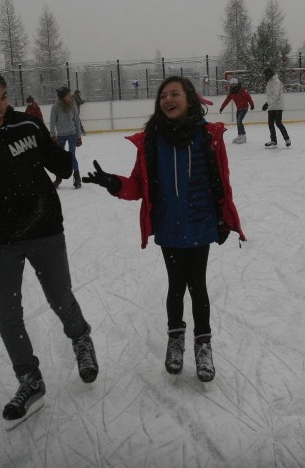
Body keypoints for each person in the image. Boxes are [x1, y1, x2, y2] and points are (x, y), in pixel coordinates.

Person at [0, 65, 99, 428]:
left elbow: (52, 158)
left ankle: (81, 339)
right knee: (7, 314)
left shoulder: (25, 125)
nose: (1, 108)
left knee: (60, 298)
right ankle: (29, 378)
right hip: (1, 243)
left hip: (45, 230)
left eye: (4, 98)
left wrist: (62, 161)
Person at [82, 76, 246, 383]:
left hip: (200, 224)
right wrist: (114, 183)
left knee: (197, 285)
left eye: (175, 94)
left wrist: (224, 218)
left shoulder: (208, 136)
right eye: (163, 96)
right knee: (176, 285)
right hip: (169, 226)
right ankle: (175, 340)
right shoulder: (151, 141)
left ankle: (203, 344)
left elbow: (221, 181)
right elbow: (137, 186)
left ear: (189, 100)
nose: (168, 99)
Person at [49, 86, 84, 188]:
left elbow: (77, 121)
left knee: (72, 155)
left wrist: (78, 137)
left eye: (70, 94)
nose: (70, 96)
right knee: (60, 158)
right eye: (68, 94)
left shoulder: (73, 105)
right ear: (63, 96)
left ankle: (77, 178)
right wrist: (53, 135)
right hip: (60, 136)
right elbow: (52, 122)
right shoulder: (55, 107)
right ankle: (58, 178)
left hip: (72, 134)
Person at [218, 77, 255, 144]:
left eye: (234, 84)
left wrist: (252, 105)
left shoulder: (242, 90)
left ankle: (243, 136)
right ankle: (239, 135)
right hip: (239, 108)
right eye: (231, 84)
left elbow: (249, 98)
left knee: (239, 121)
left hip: (244, 108)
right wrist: (222, 107)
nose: (232, 85)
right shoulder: (232, 92)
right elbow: (227, 100)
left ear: (237, 84)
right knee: (238, 122)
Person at [262, 68, 291, 148]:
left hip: (278, 105)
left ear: (269, 74)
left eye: (265, 75)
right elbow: (270, 95)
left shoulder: (276, 82)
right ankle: (273, 140)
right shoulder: (270, 81)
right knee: (270, 123)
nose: (264, 77)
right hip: (272, 106)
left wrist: (267, 103)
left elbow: (275, 95)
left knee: (278, 123)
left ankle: (287, 139)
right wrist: (268, 104)